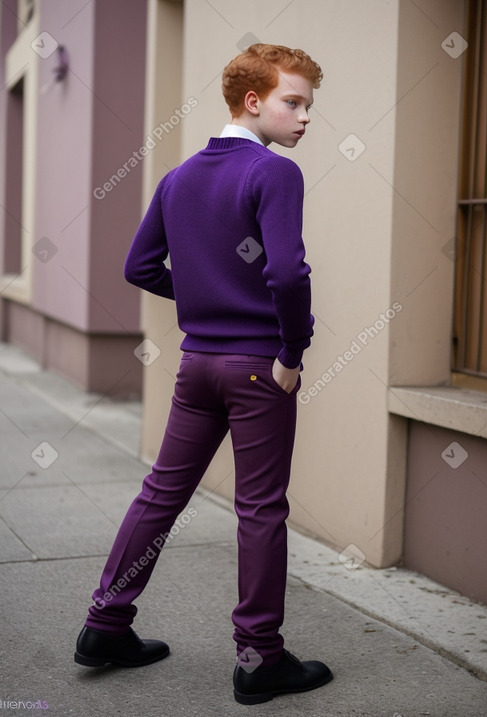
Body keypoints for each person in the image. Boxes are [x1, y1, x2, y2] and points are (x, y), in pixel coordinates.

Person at [74, 43, 333, 705]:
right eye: (293, 102)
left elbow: (139, 267)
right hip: (256, 370)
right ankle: (259, 657)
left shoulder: (180, 177)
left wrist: (200, 296)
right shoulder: (274, 174)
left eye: (308, 104)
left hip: (197, 366)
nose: (305, 117)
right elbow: (285, 273)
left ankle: (104, 625)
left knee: (160, 493)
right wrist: (291, 355)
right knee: (260, 509)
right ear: (253, 101)